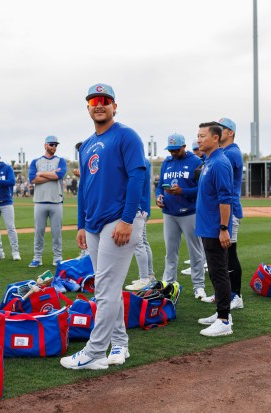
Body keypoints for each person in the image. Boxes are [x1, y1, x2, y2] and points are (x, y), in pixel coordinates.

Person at [60, 83, 146, 370]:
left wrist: (126, 219)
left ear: (114, 106)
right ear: (88, 107)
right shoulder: (86, 145)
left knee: (105, 289)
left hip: (118, 221)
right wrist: (82, 225)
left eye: (105, 100)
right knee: (109, 287)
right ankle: (119, 343)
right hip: (95, 224)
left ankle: (95, 352)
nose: (99, 105)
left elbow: (136, 178)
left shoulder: (126, 136)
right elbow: (85, 187)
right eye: (94, 100)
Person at [155, 133, 207, 299]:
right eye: (170, 150)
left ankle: (198, 286)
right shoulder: (167, 162)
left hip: (189, 213)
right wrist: (159, 197)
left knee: (196, 252)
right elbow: (159, 186)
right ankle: (168, 284)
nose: (173, 153)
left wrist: (182, 192)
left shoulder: (196, 162)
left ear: (184, 147)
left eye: (176, 150)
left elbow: (203, 189)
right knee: (170, 252)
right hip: (169, 213)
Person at [195, 122, 234, 337]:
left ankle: (224, 319)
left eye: (203, 136)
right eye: (198, 135)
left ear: (216, 138)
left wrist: (223, 228)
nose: (199, 139)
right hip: (206, 227)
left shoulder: (220, 163)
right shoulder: (209, 161)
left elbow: (225, 198)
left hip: (214, 228)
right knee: (215, 271)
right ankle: (222, 310)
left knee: (219, 273)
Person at [217, 118, 244, 310]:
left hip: (231, 209)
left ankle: (236, 295)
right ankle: (226, 293)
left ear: (231, 133)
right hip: (225, 208)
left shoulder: (232, 152)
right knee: (222, 256)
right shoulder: (224, 152)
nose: (218, 131)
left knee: (230, 254)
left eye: (222, 129)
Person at [28, 135, 67, 267]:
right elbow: (32, 179)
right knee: (39, 232)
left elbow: (59, 175)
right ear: (45, 145)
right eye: (51, 144)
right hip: (40, 201)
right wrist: (50, 175)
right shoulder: (36, 161)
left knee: (57, 233)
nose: (54, 147)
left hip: (56, 201)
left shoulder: (61, 161)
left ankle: (57, 258)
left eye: (56, 145)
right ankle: (37, 257)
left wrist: (41, 173)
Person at [125, 157, 155, 290]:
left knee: (139, 243)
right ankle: (149, 275)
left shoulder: (139, 161)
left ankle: (144, 278)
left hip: (139, 206)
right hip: (142, 205)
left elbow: (137, 185)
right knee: (143, 242)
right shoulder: (143, 160)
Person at [181, 140, 207, 276]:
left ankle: (200, 263)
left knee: (201, 236)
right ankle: (200, 261)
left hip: (202, 205)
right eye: (195, 149)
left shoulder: (204, 161)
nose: (197, 151)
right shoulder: (199, 161)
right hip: (198, 204)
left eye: (198, 148)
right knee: (200, 236)